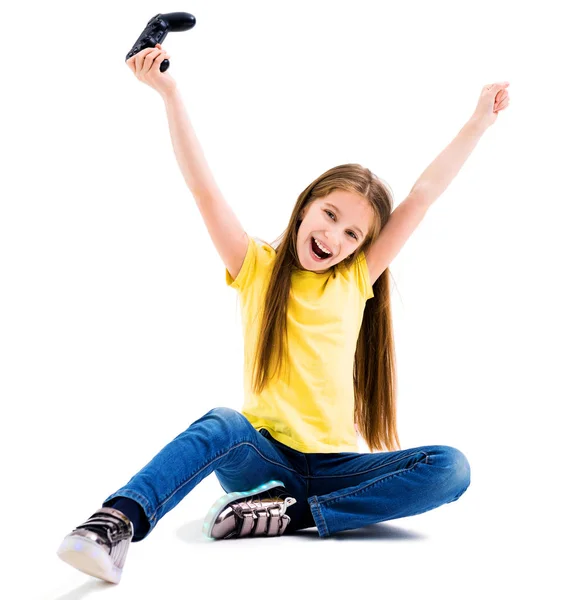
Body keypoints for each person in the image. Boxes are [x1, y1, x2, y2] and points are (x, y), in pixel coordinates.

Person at [57, 43, 510, 584]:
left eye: (352, 234)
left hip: (339, 470)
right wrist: (170, 94)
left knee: (451, 468)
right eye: (329, 214)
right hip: (263, 461)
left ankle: (292, 517)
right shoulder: (256, 267)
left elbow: (421, 195)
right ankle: (114, 523)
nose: (333, 237)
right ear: (307, 204)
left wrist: (477, 124)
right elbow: (203, 187)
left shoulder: (354, 280)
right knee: (222, 423)